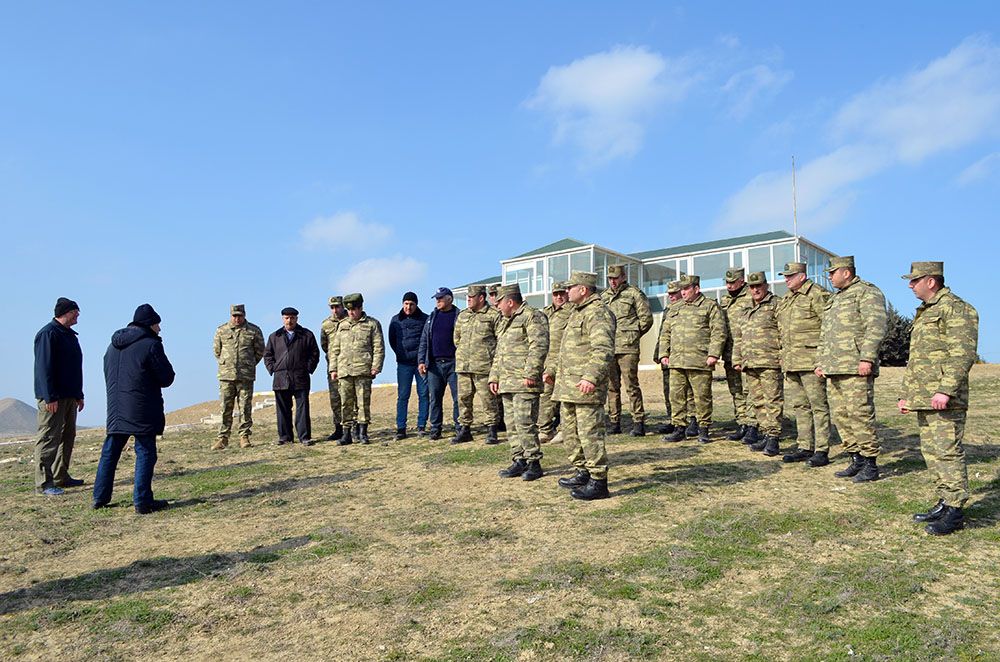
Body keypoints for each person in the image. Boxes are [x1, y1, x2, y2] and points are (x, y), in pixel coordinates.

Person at [898, 262, 979, 535]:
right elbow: (917, 360)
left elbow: (962, 354)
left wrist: (945, 389)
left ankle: (955, 511)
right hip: (924, 396)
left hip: (944, 398)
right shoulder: (926, 312)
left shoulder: (956, 309)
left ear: (931, 281)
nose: (910, 285)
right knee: (932, 452)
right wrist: (906, 395)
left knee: (947, 451)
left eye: (914, 280)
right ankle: (945, 501)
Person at [92, 304, 175, 514]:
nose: (159, 329)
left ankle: (99, 498)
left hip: (116, 410)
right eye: (157, 324)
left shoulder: (111, 348)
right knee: (146, 452)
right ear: (149, 324)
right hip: (142, 408)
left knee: (110, 453)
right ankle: (142, 501)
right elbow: (166, 377)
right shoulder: (150, 344)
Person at [816, 256, 887, 482]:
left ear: (846, 272)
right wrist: (821, 362)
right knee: (841, 416)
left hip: (856, 367)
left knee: (860, 415)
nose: (829, 276)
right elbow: (825, 334)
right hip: (834, 367)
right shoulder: (835, 299)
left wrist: (867, 358)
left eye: (832, 272)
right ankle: (855, 458)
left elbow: (875, 327)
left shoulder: (867, 292)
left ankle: (870, 463)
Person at [548, 271, 616, 500]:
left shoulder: (598, 312)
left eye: (571, 288)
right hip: (568, 386)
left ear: (583, 289)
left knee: (589, 433)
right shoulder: (577, 313)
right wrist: (553, 373)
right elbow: (566, 350)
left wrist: (590, 377)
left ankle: (598, 481)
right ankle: (582, 471)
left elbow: (603, 349)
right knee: (570, 432)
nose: (566, 292)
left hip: (585, 386)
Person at [489, 284, 549, 480]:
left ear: (510, 301)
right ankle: (519, 459)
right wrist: (494, 376)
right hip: (507, 382)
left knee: (525, 423)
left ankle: (534, 462)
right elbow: (499, 352)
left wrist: (531, 373)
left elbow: (538, 346)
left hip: (524, 382)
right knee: (511, 424)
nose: (497, 306)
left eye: (499, 302)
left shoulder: (533, 316)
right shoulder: (504, 322)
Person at [776, 262, 832, 467]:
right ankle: (804, 446)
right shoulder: (787, 299)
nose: (786, 279)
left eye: (790, 276)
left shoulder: (816, 294)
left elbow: (828, 327)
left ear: (802, 276)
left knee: (818, 406)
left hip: (811, 361)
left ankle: (822, 449)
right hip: (791, 362)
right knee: (800, 406)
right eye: (785, 276)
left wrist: (823, 360)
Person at [661, 275, 726, 443]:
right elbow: (666, 333)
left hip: (700, 361)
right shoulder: (675, 308)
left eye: (686, 289)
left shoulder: (710, 306)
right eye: (681, 289)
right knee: (676, 396)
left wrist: (713, 354)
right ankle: (679, 428)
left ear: (696, 289)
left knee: (702, 397)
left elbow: (719, 332)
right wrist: (664, 354)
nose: (682, 292)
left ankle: (703, 428)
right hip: (676, 361)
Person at [33, 297, 85, 496]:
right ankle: (43, 484)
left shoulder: (70, 336)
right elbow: (44, 367)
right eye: (76, 311)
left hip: (70, 396)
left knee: (67, 436)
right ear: (66, 312)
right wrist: (49, 396)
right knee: (48, 437)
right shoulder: (48, 334)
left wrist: (78, 394)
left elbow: (74, 368)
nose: (78, 315)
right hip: (53, 398)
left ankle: (60, 476)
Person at [732, 272, 783, 456]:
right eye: (752, 287)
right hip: (750, 363)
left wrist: (782, 356)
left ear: (766, 285)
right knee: (758, 402)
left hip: (770, 361)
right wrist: (737, 358)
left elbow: (784, 332)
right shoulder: (745, 309)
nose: (755, 290)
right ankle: (765, 433)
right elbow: (739, 337)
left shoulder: (776, 304)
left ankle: (774, 438)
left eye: (759, 286)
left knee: (772, 401)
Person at [601, 264, 653, 436]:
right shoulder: (604, 297)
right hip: (609, 348)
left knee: (631, 386)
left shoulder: (634, 293)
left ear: (623, 277)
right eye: (610, 278)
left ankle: (638, 422)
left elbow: (646, 319)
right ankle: (614, 422)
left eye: (615, 278)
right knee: (612, 387)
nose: (612, 281)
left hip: (628, 348)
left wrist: (633, 334)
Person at [331, 293, 385, 444]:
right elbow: (335, 349)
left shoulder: (372, 324)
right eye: (349, 310)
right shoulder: (342, 325)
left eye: (354, 309)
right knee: (345, 403)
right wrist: (333, 369)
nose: (351, 313)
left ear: (361, 307)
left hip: (363, 369)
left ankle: (362, 433)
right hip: (344, 370)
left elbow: (378, 347)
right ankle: (346, 434)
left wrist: (376, 367)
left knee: (363, 403)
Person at [211, 304, 265, 450]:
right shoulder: (221, 330)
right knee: (225, 408)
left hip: (245, 375)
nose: (237, 319)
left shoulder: (254, 330)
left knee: (245, 407)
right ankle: (223, 438)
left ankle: (244, 436)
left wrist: (248, 363)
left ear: (244, 315)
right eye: (234, 316)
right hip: (226, 375)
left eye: (239, 316)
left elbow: (259, 351)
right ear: (231, 315)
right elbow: (217, 351)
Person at [263, 307, 320, 446]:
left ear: (297, 319)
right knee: (282, 409)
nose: (290, 321)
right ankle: (285, 437)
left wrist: (307, 368)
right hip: (281, 378)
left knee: (302, 409)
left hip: (300, 377)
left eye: (292, 318)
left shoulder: (306, 335)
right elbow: (267, 355)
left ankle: (304, 437)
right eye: (287, 318)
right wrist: (273, 369)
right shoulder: (274, 336)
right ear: (283, 319)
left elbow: (315, 353)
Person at [453, 285, 502, 445]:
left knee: (488, 400)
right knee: (463, 399)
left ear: (481, 298)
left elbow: (500, 340)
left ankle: (492, 430)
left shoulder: (494, 315)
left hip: (484, 367)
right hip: (464, 366)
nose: (468, 299)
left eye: (471, 297)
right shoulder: (463, 315)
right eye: (467, 297)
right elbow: (457, 338)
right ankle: (465, 429)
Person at [417, 287, 460, 440]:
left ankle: (459, 426)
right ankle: (435, 428)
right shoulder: (432, 317)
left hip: (454, 363)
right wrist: (421, 360)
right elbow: (424, 340)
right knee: (435, 397)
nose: (437, 301)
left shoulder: (459, 316)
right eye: (436, 298)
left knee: (458, 398)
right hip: (434, 365)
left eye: (440, 298)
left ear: (449, 299)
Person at [652, 281, 693, 434]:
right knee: (669, 390)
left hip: (683, 356)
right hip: (667, 356)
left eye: (674, 293)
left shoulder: (687, 308)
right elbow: (664, 333)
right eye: (669, 294)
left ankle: (689, 420)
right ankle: (674, 420)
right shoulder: (668, 309)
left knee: (687, 391)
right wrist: (659, 353)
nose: (671, 296)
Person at [720, 268, 755, 442]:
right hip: (729, 352)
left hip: (747, 352)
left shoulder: (751, 295)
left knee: (749, 390)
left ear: (742, 281)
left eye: (733, 282)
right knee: (736, 390)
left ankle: (753, 425)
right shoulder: (725, 300)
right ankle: (742, 422)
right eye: (727, 282)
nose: (729, 286)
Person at [388, 291, 429, 440]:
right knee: (403, 396)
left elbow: (427, 340)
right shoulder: (395, 320)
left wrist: (423, 359)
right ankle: (401, 428)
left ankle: (421, 426)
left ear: (416, 304)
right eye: (406, 304)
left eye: (411, 304)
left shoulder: (425, 319)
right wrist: (400, 352)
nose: (408, 307)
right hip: (404, 363)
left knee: (424, 394)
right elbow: (392, 340)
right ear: (402, 304)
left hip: (421, 364)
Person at [539, 281, 573, 442]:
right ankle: (545, 430)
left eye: (562, 293)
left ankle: (564, 430)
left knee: (564, 396)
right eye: (556, 294)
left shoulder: (573, 311)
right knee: (546, 395)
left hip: (566, 359)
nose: (559, 297)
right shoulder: (545, 312)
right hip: (547, 360)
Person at [320, 296, 348, 441]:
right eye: (332, 307)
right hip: (333, 367)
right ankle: (338, 428)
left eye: (337, 306)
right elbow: (324, 346)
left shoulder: (350, 321)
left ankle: (351, 427)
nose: (335, 310)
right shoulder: (326, 324)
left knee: (350, 398)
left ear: (343, 306)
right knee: (335, 399)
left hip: (349, 365)